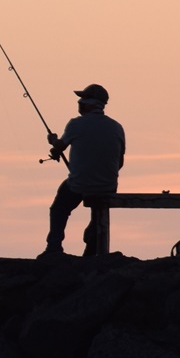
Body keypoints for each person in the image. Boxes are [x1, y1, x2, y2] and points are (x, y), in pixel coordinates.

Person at [42, 83, 126, 258]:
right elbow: (120, 163)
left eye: (83, 99)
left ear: (92, 103)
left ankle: (54, 247)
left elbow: (60, 146)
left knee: (59, 208)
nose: (79, 102)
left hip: (79, 184)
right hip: (107, 185)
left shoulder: (76, 124)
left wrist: (53, 142)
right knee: (97, 216)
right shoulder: (117, 127)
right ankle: (92, 251)